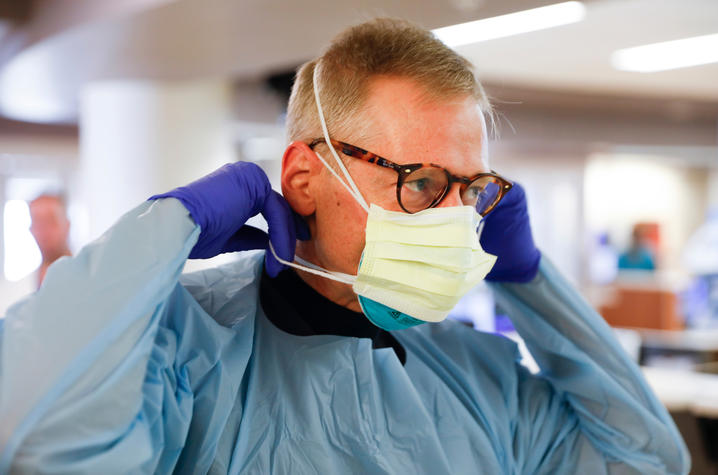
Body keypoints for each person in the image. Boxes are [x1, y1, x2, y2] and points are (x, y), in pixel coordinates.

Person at [0, 19, 688, 473]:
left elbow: (646, 457)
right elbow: (34, 440)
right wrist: (162, 231)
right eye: (421, 182)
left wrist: (529, 279)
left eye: (471, 190)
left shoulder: (479, 374)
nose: (453, 219)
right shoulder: (186, 347)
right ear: (303, 177)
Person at [28, 193, 72, 287]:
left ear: (67, 225)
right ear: (30, 230)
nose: (44, 230)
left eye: (50, 221)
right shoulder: (14, 292)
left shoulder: (89, 280)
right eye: (37, 222)